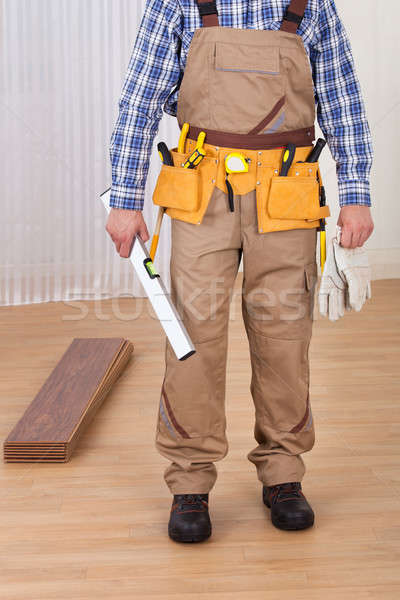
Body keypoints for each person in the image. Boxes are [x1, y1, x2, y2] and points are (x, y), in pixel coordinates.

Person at [106, 0, 374, 543]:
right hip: (200, 191)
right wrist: (124, 197)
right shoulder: (177, 3)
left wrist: (357, 195)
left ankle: (283, 474)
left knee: (284, 334)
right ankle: (190, 482)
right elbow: (139, 100)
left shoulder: (311, 4)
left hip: (289, 191)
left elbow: (343, 101)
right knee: (192, 335)